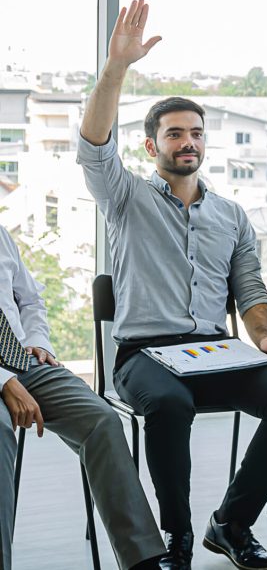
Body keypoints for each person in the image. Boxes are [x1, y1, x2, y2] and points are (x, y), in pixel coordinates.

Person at [78, 0, 267, 570]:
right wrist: (116, 69)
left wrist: (265, 338)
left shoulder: (232, 216)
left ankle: (230, 524)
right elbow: (93, 144)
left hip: (214, 353)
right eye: (175, 133)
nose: (188, 142)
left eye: (196, 134)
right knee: (166, 403)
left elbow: (252, 294)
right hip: (145, 356)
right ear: (151, 144)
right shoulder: (125, 197)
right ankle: (175, 540)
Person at [0, 226, 165, 570]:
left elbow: (29, 299)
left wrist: (38, 342)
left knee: (101, 419)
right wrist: (4, 381)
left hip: (22, 359)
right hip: (4, 373)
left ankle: (141, 561)